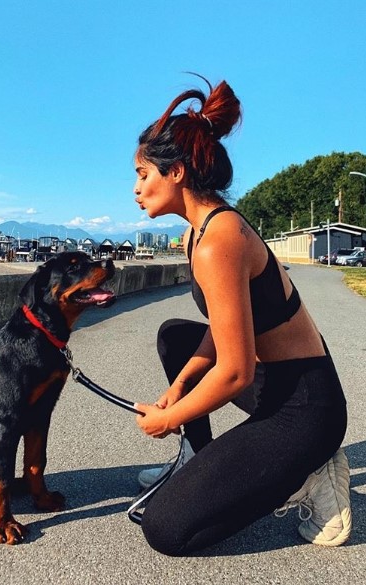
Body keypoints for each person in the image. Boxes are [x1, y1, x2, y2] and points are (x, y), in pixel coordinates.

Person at [132, 75, 351, 556]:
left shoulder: (219, 239)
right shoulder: (198, 234)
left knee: (166, 529)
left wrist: (168, 420)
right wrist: (180, 387)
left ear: (177, 173)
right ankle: (199, 456)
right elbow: (224, 331)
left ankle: (306, 476)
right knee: (175, 337)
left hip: (305, 404)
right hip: (273, 383)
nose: (135, 188)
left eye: (142, 174)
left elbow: (235, 370)